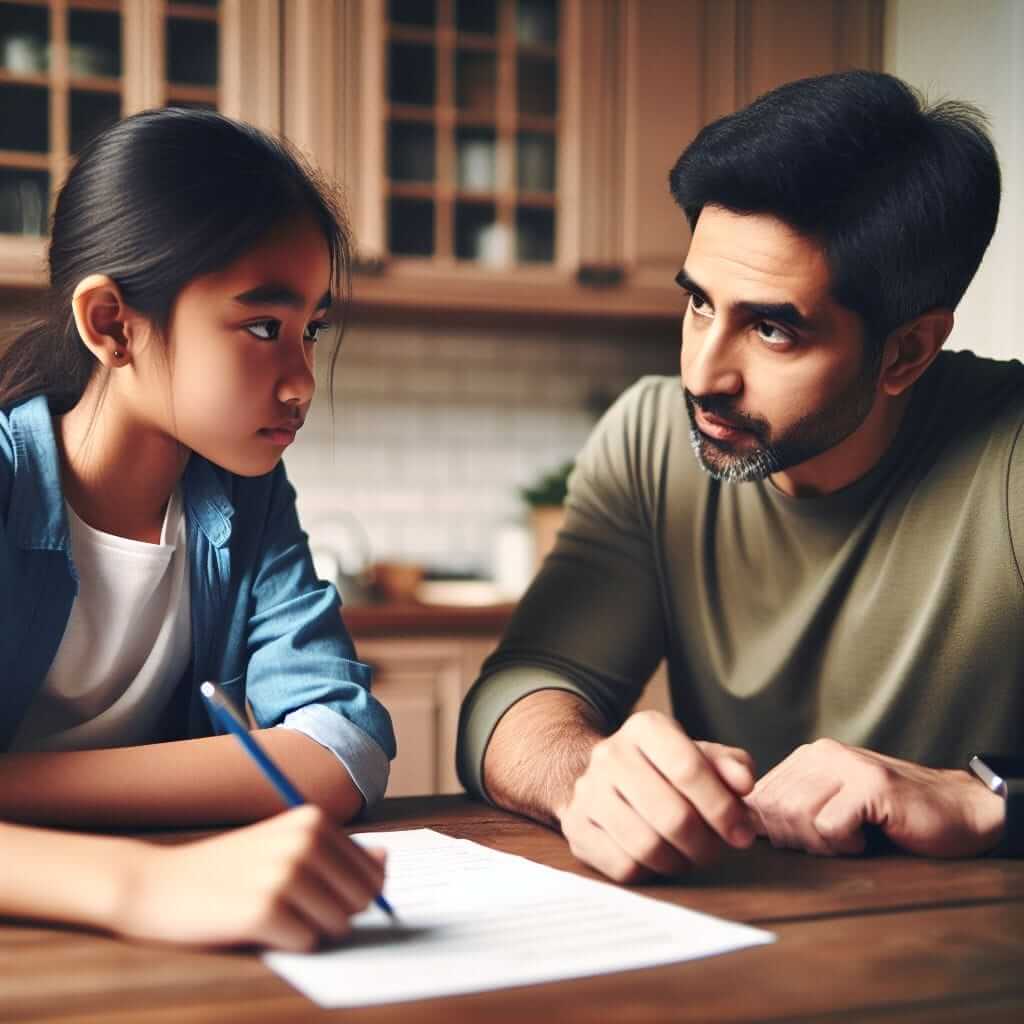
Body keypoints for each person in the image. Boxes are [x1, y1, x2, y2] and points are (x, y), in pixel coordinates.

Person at [456, 70, 1023, 882]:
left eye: (772, 329)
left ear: (907, 352)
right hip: (744, 936)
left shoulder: (1011, 455)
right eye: (698, 305)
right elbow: (514, 694)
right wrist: (585, 774)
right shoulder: (651, 438)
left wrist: (981, 801)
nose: (703, 374)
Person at [0, 108, 395, 947]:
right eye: (263, 328)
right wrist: (144, 882)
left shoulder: (247, 499)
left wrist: (15, 784)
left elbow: (342, 751)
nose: (301, 382)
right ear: (112, 324)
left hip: (172, 946)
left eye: (310, 331)